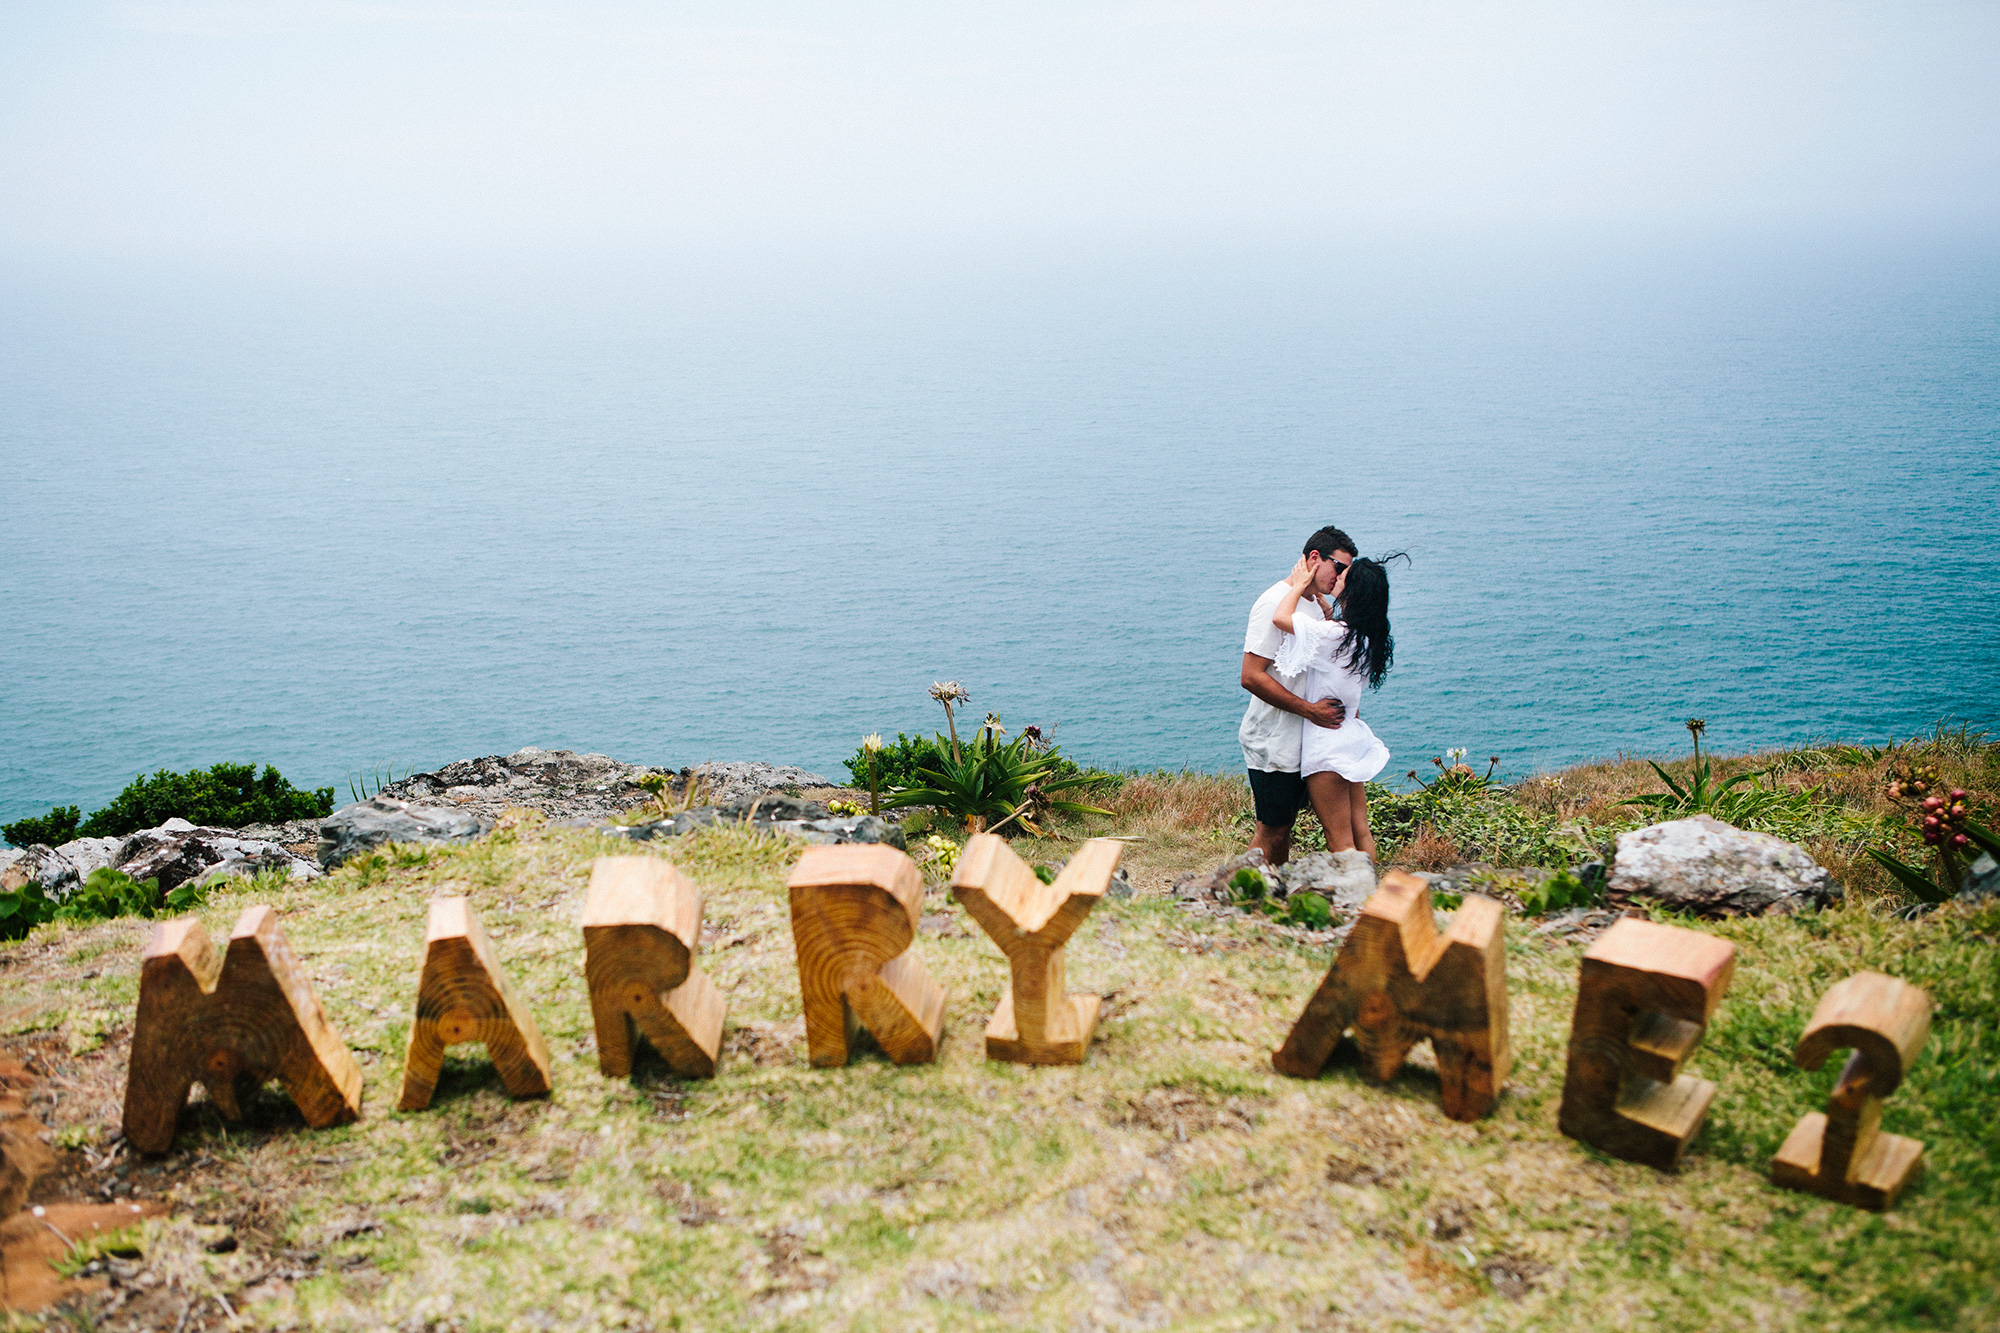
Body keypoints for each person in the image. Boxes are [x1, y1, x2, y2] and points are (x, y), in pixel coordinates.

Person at [1238, 526, 1355, 866]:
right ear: (1315, 559)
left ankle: (1270, 895)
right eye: (1340, 567)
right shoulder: (1273, 602)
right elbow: (1251, 676)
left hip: (1300, 739)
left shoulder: (1314, 605)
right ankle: (1237, 895)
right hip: (1273, 739)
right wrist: (1310, 711)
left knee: (1283, 827)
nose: (1341, 577)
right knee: (1271, 830)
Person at [1270, 554, 1398, 857]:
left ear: (1352, 592)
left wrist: (1298, 584)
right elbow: (1333, 652)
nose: (1336, 576)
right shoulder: (1366, 638)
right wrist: (1328, 610)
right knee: (1361, 831)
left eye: (1343, 576)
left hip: (1326, 746)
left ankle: (1356, 901)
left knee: (1339, 840)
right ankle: (1372, 895)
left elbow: (1280, 618)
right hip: (1351, 737)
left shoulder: (1334, 635)